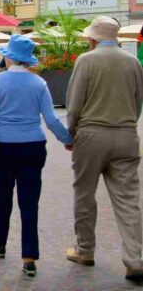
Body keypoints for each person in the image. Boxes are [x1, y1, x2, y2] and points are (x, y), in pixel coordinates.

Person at [0, 34, 72, 278]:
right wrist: (67, 139)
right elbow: (51, 118)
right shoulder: (39, 83)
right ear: (27, 60)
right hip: (32, 144)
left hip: (1, 144)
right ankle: (29, 258)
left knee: (3, 193)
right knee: (29, 201)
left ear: (9, 57)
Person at [65, 16, 143, 282]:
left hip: (91, 134)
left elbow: (74, 103)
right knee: (128, 200)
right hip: (126, 134)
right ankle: (135, 259)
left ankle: (85, 250)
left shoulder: (86, 61)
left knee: (85, 193)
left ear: (93, 38)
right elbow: (138, 101)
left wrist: (70, 133)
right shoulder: (133, 62)